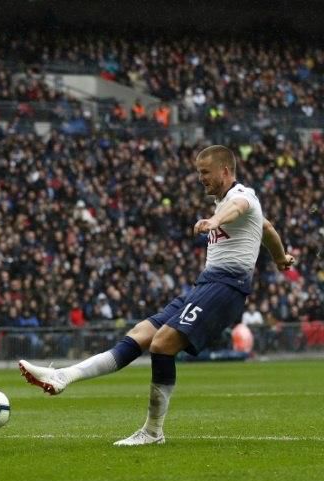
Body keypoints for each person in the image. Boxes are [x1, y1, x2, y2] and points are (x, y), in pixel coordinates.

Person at [19, 145, 295, 446]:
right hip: (206, 284)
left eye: (205, 172)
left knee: (162, 344)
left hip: (227, 287)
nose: (200, 178)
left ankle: (153, 432)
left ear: (225, 171)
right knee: (141, 334)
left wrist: (215, 221)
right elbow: (267, 228)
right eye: (198, 172)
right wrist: (280, 258)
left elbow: (239, 207)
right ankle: (63, 376)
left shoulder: (243, 195)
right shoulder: (225, 202)